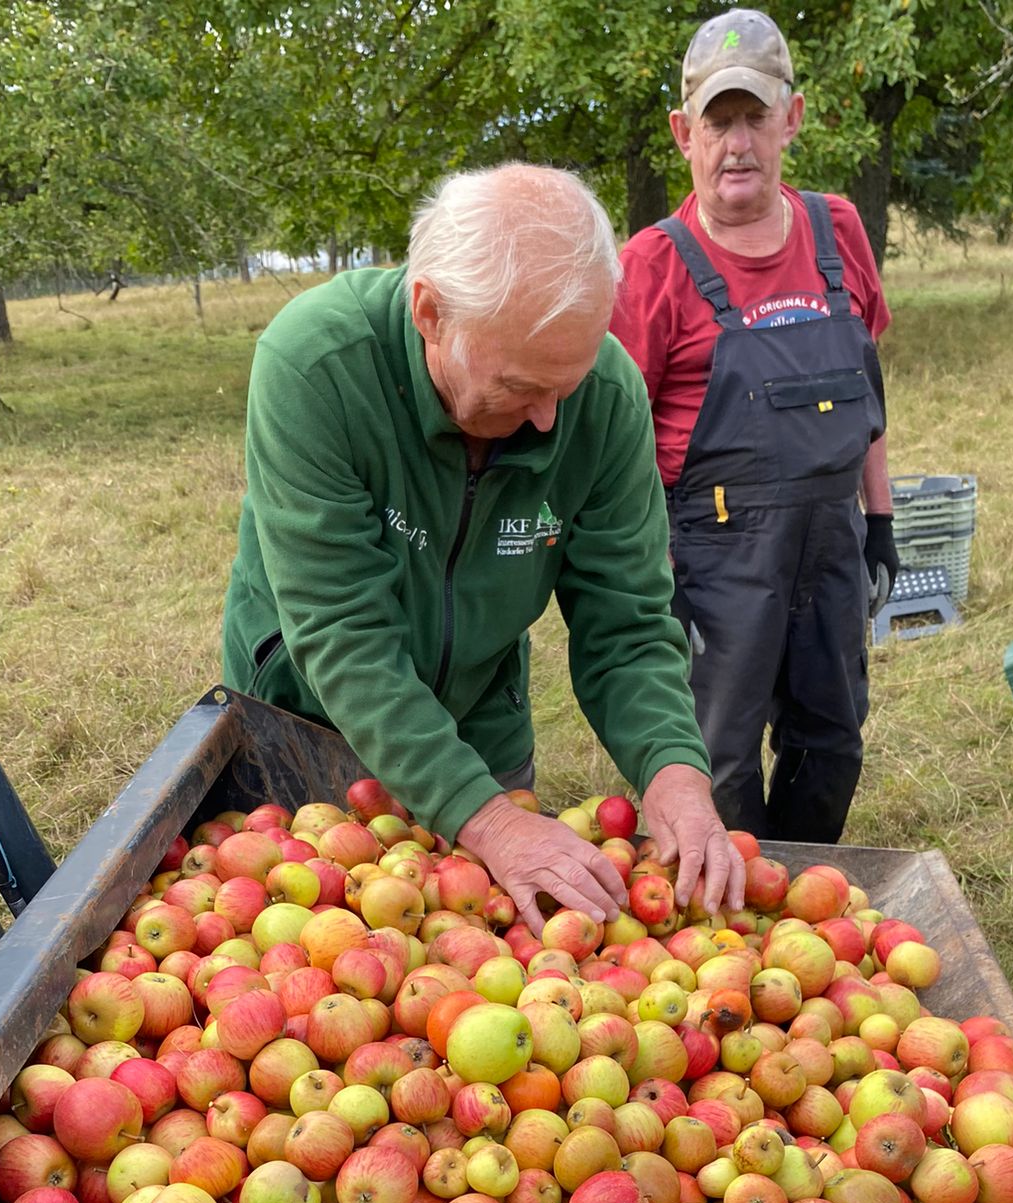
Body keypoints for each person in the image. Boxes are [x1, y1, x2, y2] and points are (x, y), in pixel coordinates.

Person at [221, 163, 743, 936]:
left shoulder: (602, 397)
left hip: (477, 720)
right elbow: (342, 631)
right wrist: (491, 825)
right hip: (307, 727)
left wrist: (674, 770)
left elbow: (626, 622)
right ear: (430, 312)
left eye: (564, 386)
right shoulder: (317, 367)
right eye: (520, 387)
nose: (545, 421)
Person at [610, 9, 895, 844]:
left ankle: (802, 898)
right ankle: (724, 934)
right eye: (717, 121)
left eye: (754, 118)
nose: (737, 143)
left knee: (832, 742)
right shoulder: (651, 266)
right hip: (712, 557)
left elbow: (869, 395)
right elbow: (616, 450)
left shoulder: (836, 230)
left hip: (833, 543)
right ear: (682, 134)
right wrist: (651, 583)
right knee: (717, 758)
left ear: (791, 119)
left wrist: (880, 522)